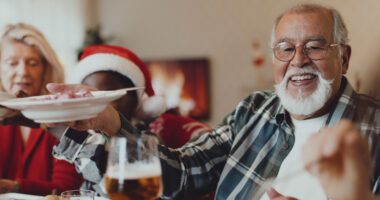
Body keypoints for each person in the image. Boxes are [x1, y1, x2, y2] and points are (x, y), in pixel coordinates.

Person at [45, 3, 380, 200]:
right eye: (286, 49)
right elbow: (184, 171)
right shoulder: (254, 109)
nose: (299, 60)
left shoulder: (374, 127)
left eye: (315, 46)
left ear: (344, 58)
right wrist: (111, 122)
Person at [52, 44, 210, 195]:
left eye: (108, 95)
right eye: (91, 96)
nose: (99, 104)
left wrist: (61, 131)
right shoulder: (84, 134)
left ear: (135, 100)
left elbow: (108, 180)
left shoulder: (147, 136)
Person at [0, 23, 82, 195]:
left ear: (45, 69)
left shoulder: (64, 118)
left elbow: (66, 188)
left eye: (32, 63)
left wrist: (14, 187)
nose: (23, 72)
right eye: (12, 63)